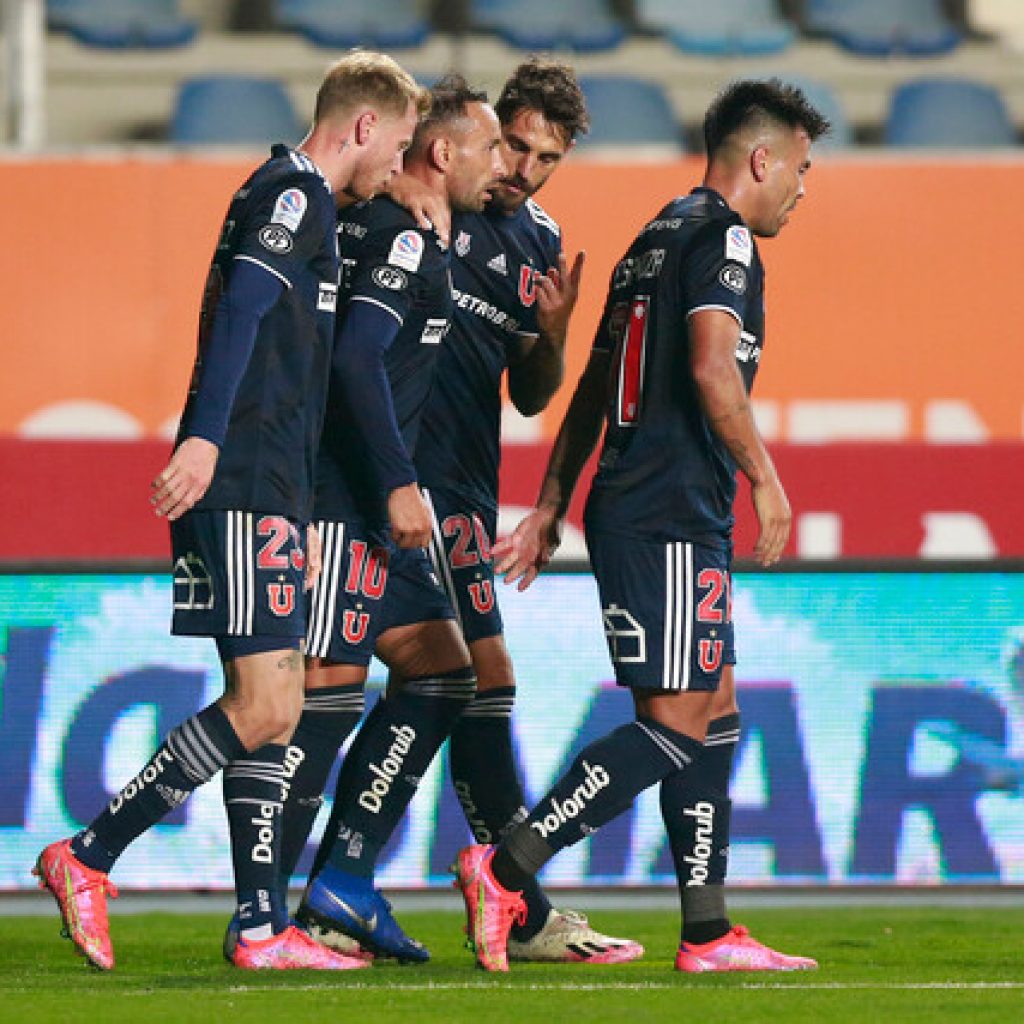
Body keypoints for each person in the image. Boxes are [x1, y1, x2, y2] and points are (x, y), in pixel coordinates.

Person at [33, 51, 427, 973]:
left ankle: (259, 927)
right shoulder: (293, 193)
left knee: (278, 709)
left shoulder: (306, 200)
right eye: (400, 144)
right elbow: (244, 307)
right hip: (243, 477)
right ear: (363, 125)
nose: (400, 164)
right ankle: (88, 854)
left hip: (272, 485)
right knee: (265, 703)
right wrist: (205, 439)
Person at [455, 78, 829, 973]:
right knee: (675, 724)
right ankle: (505, 870)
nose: (801, 188)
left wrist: (553, 502)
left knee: (715, 706)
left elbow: (592, 384)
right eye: (801, 168)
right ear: (761, 159)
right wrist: (766, 480)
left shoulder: (655, 236)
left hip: (657, 505)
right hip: (666, 508)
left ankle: (707, 931)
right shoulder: (723, 239)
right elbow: (712, 368)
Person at [240, 74, 507, 965]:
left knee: (442, 673)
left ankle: (343, 881)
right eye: (492, 147)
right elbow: (357, 360)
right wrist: (397, 483)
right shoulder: (394, 233)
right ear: (441, 150)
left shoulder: (391, 225)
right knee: (317, 699)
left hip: (374, 510)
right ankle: (263, 913)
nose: (502, 165)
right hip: (345, 500)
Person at [405, 57, 641, 965]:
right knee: (457, 679)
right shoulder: (427, 194)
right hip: (399, 478)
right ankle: (517, 903)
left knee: (466, 683)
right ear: (485, 129)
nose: (525, 170)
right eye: (515, 145)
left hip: (466, 482)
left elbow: (535, 395)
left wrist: (553, 333)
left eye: (548, 159)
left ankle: (495, 900)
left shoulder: (539, 240)